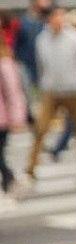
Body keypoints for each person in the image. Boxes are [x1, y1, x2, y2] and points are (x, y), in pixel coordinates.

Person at [26, 7, 76, 184]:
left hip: (73, 91)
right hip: (51, 91)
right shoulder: (42, 39)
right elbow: (41, 65)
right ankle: (31, 167)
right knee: (41, 129)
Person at [13, 0, 53, 122]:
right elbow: (17, 47)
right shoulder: (24, 23)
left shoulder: (49, 23)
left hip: (47, 71)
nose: (47, 3)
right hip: (28, 69)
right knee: (33, 104)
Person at [0, 37, 27, 206]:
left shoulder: (4, 64)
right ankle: (8, 181)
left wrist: (17, 117)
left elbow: (13, 92)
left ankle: (9, 180)